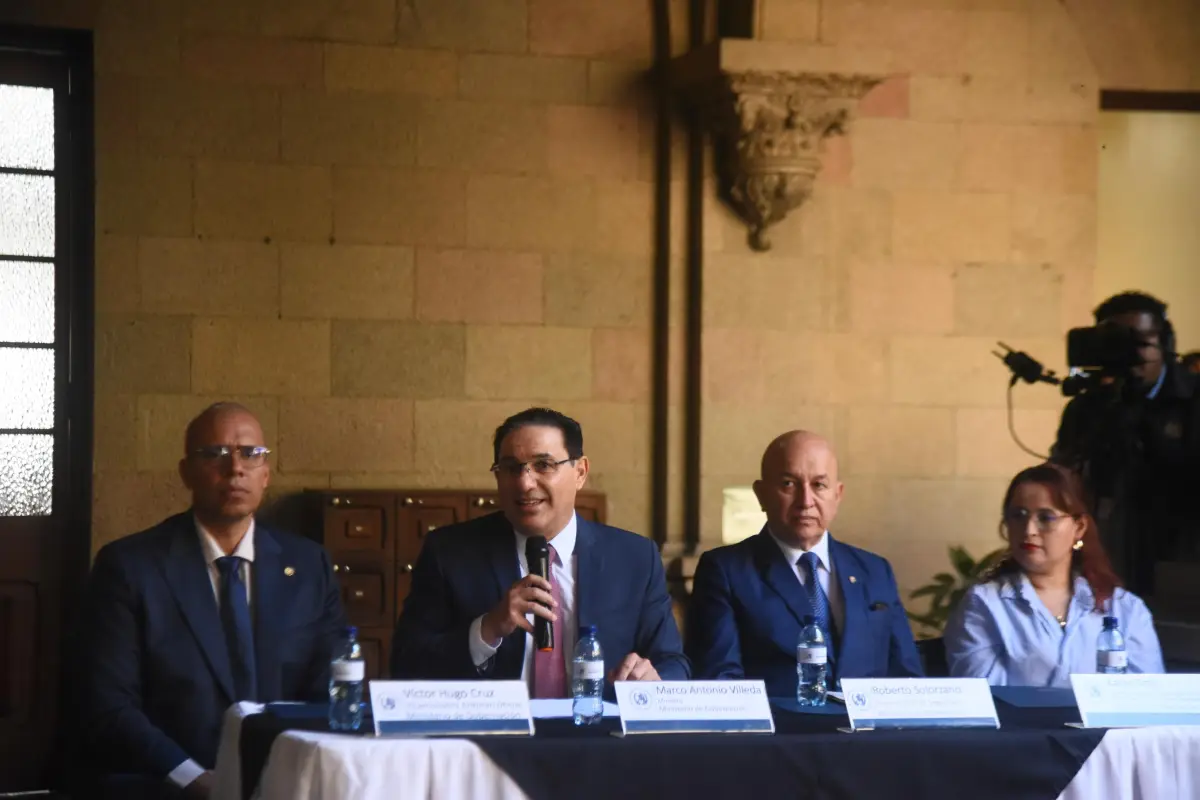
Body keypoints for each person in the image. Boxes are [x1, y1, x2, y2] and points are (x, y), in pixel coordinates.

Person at [70, 403, 344, 799]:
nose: (235, 468)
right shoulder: (131, 567)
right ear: (186, 473)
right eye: (214, 454)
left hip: (286, 781)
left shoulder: (308, 565)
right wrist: (196, 780)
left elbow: (331, 688)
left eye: (251, 455)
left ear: (266, 475)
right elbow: (109, 705)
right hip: (167, 784)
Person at [392, 407, 688, 695]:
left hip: (599, 736)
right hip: (494, 737)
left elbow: (674, 665)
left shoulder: (634, 558)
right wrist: (486, 630)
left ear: (580, 472)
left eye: (544, 465)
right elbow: (406, 666)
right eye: (510, 468)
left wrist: (653, 679)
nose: (524, 483)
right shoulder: (450, 553)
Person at [686, 431, 922, 697]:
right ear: (761, 494)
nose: (806, 501)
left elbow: (908, 679)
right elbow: (720, 683)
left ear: (838, 494)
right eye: (789, 484)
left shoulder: (875, 571)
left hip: (869, 736)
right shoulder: (726, 570)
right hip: (782, 735)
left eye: (819, 485)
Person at [944, 463, 1164, 686]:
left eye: (1046, 518)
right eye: (1018, 515)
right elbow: (986, 698)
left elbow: (1148, 699)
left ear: (1078, 527)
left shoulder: (1125, 609)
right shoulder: (985, 604)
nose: (1029, 529)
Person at [1052, 291, 1200, 595]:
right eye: (1119, 344)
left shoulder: (1193, 400)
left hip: (1182, 558)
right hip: (1109, 556)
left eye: (1143, 342)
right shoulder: (1087, 408)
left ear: (1165, 345)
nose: (1133, 355)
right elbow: (1064, 481)